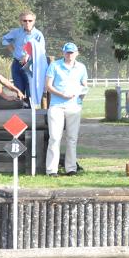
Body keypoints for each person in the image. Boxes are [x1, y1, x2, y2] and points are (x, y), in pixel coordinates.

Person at [45, 43, 88, 177]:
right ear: (63, 53)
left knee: (72, 138)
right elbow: (48, 86)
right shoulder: (55, 65)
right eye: (67, 52)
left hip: (74, 106)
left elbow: (84, 85)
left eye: (72, 52)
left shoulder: (81, 67)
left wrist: (81, 97)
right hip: (57, 105)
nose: (69, 55)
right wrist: (61, 94)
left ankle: (71, 168)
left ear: (76, 53)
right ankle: (52, 170)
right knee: (55, 138)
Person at [1, 10, 48, 106]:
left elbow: (41, 51)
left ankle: (30, 115)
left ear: (34, 21)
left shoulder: (38, 34)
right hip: (17, 64)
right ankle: (20, 114)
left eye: (30, 20)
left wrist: (29, 55)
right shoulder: (16, 32)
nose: (27, 23)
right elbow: (4, 39)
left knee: (30, 91)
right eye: (24, 20)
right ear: (21, 21)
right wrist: (12, 50)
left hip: (31, 65)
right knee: (18, 90)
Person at [0, 44, 27, 109]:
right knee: (20, 103)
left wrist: (17, 90)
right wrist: (7, 97)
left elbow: (3, 80)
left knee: (16, 99)